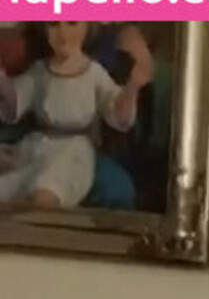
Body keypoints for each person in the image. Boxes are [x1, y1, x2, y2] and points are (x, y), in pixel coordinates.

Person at [0, 21, 151, 210]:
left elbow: (119, 115)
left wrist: (132, 87)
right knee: (16, 182)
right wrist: (2, 80)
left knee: (50, 187)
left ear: (87, 27)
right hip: (39, 146)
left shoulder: (93, 72)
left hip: (75, 149)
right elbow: (14, 105)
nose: (63, 33)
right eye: (54, 25)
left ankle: (43, 207)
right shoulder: (39, 71)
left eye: (72, 23)